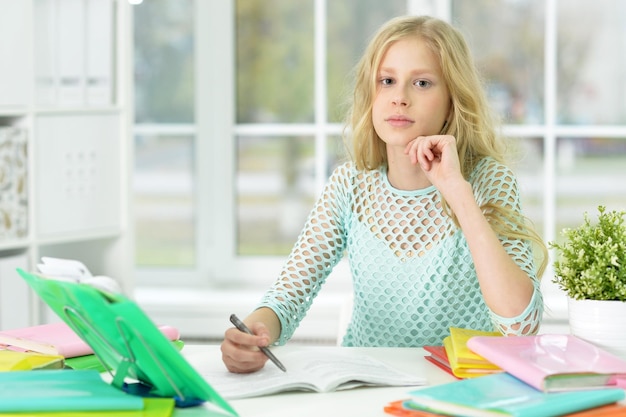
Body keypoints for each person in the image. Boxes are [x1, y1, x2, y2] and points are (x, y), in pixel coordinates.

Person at [221, 15, 548, 373]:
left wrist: (458, 193)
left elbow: (520, 325)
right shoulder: (349, 185)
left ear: (453, 100)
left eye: (422, 83)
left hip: (460, 389)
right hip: (366, 386)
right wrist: (256, 332)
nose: (399, 98)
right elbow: (288, 296)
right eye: (387, 81)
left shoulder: (489, 183)